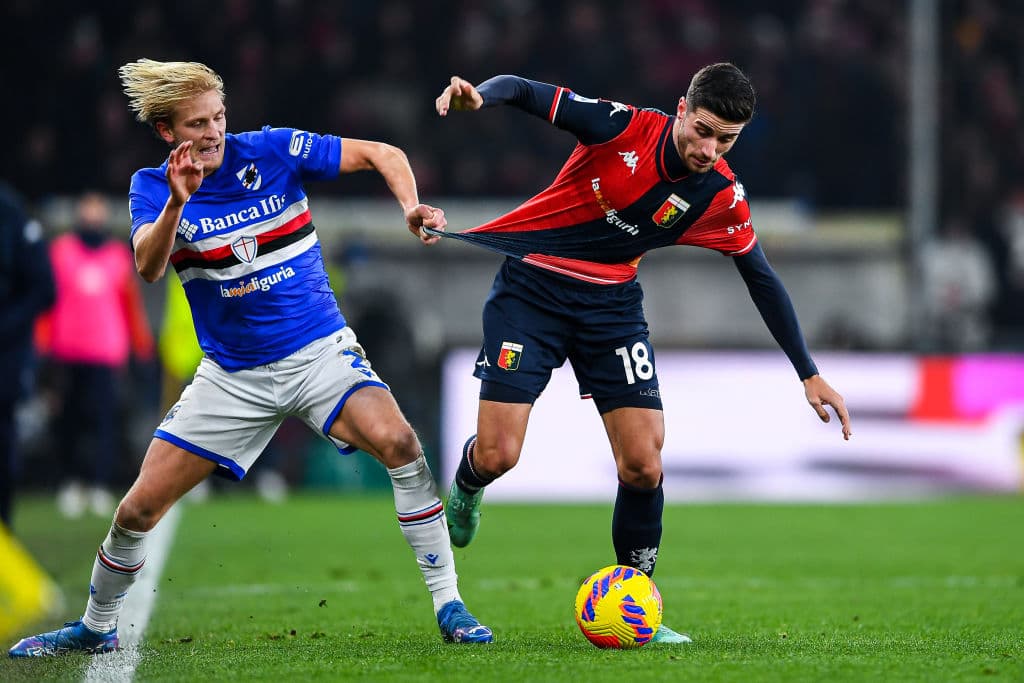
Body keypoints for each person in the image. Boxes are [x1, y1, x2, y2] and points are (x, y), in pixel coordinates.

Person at [8, 58, 491, 658]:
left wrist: (411, 209)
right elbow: (149, 266)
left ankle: (450, 603)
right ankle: (95, 626)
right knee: (136, 508)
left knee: (401, 443)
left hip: (319, 354)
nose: (212, 133)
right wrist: (176, 205)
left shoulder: (271, 150)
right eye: (196, 124)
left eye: (218, 117)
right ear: (166, 132)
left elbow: (383, 153)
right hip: (231, 377)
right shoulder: (152, 188)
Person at [432, 64, 852, 644]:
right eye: (703, 130)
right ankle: (467, 484)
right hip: (532, 291)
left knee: (644, 463)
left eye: (726, 139)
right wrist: (482, 97)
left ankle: (636, 606)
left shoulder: (721, 197)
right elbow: (528, 92)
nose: (710, 148)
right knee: (501, 454)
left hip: (610, 308)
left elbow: (761, 278)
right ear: (682, 109)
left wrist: (809, 373)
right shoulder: (621, 128)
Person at [35, 192, 155, 518]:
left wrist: (140, 347)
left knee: (105, 422)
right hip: (67, 350)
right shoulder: (61, 252)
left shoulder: (117, 256)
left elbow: (130, 307)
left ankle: (100, 484)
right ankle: (71, 482)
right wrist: (42, 344)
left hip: (106, 351)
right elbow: (47, 302)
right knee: (68, 420)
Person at [0, 182, 55, 531]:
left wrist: (6, 326)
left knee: (2, 436)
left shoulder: (10, 211)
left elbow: (45, 289)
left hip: (5, 354)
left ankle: (3, 528)